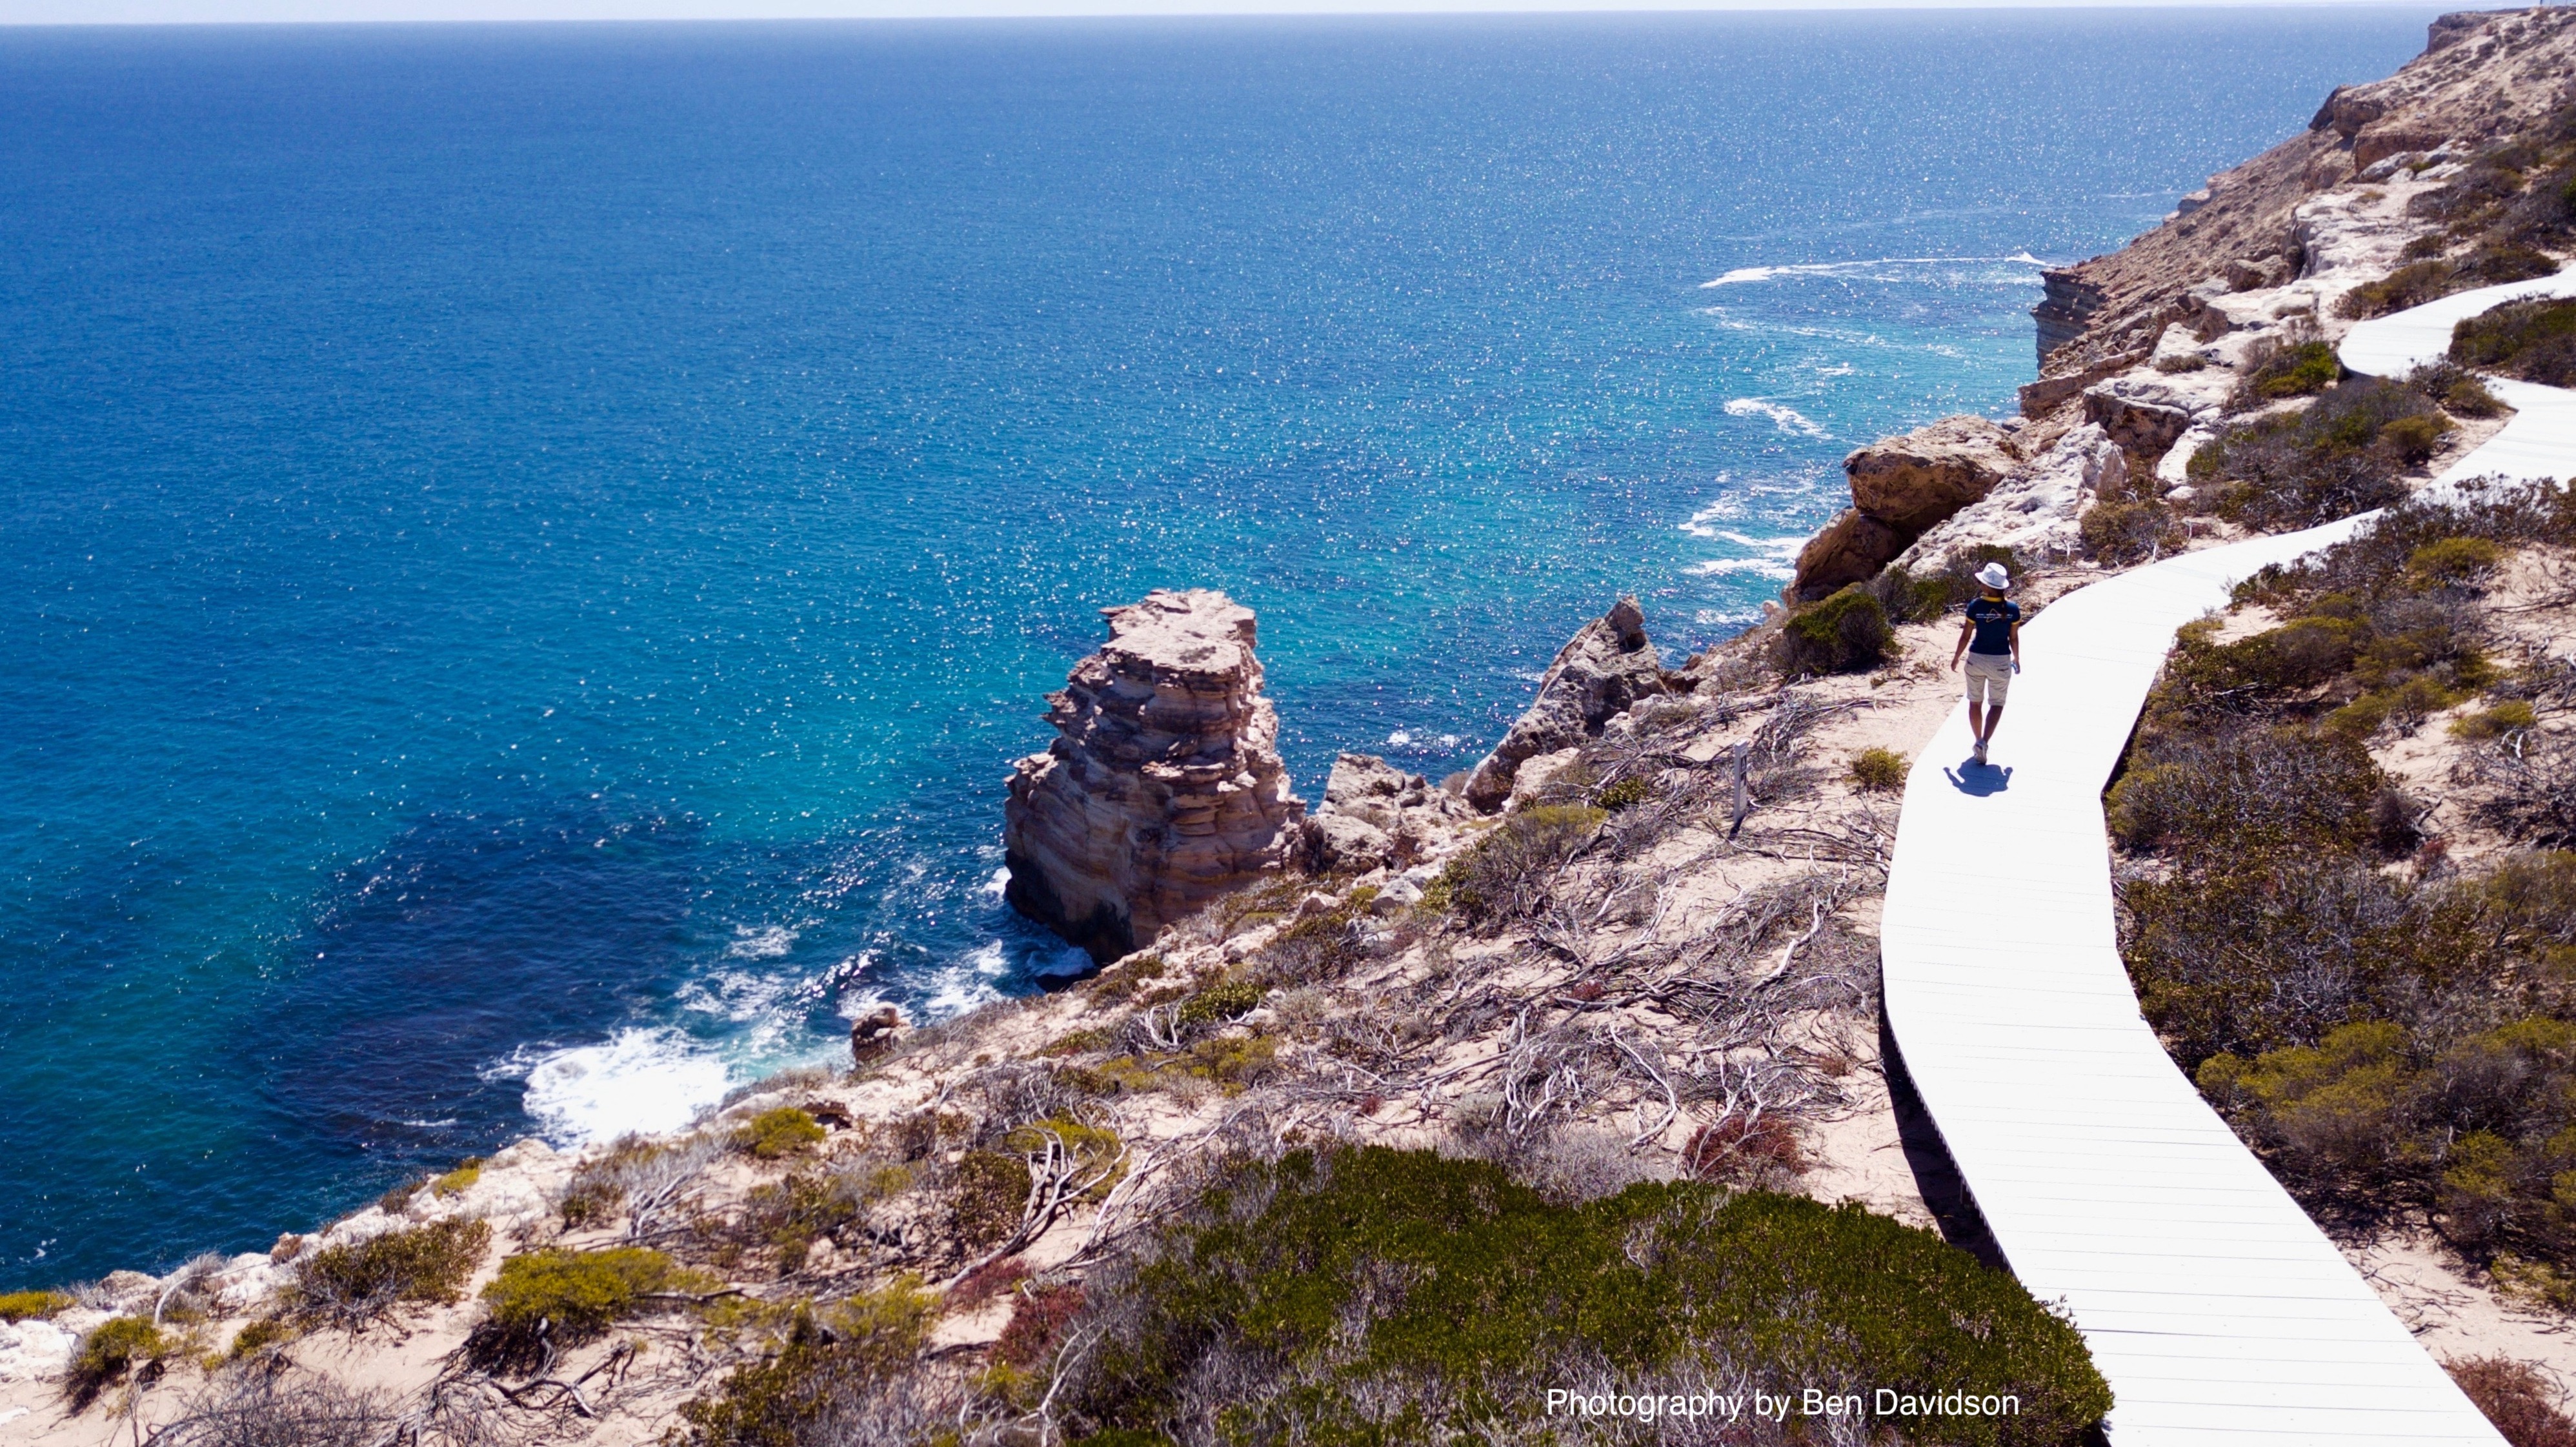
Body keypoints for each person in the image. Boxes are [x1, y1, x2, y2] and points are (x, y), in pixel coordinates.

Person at [1949, 562, 2021, 765]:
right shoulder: (2013, 609)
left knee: (1975, 702)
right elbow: (2014, 638)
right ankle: (1984, 742)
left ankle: (1977, 739)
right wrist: (2017, 658)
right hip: (2000, 661)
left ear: (1988, 586)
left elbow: (1966, 636)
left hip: (1976, 659)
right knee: (1997, 703)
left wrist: (1956, 657)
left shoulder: (1975, 606)